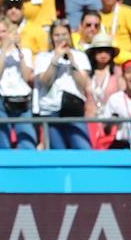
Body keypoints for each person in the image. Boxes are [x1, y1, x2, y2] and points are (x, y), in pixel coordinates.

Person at [34, 20, 92, 149]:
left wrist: (72, 62)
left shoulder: (80, 56)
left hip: (74, 109)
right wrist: (55, 59)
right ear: (51, 37)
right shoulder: (42, 57)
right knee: (58, 153)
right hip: (51, 110)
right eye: (57, 35)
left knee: (83, 148)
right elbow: (45, 81)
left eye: (64, 34)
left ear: (69, 35)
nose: (61, 38)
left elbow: (83, 83)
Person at [0, 17, 36, 149]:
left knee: (27, 140)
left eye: (3, 31)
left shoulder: (25, 52)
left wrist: (19, 50)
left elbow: (26, 75)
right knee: (3, 144)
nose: (1, 35)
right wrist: (4, 50)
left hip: (22, 100)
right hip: (0, 99)